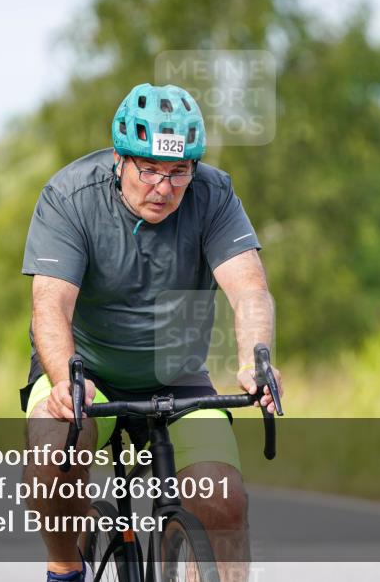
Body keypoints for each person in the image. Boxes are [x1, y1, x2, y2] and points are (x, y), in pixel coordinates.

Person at [20, 82, 282, 582]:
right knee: (56, 453)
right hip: (82, 371)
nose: (163, 187)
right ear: (120, 158)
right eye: (149, 169)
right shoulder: (70, 196)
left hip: (176, 376)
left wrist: (255, 360)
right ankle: (65, 568)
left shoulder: (213, 194)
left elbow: (249, 288)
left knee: (224, 500)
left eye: (178, 172)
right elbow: (50, 303)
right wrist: (62, 381)